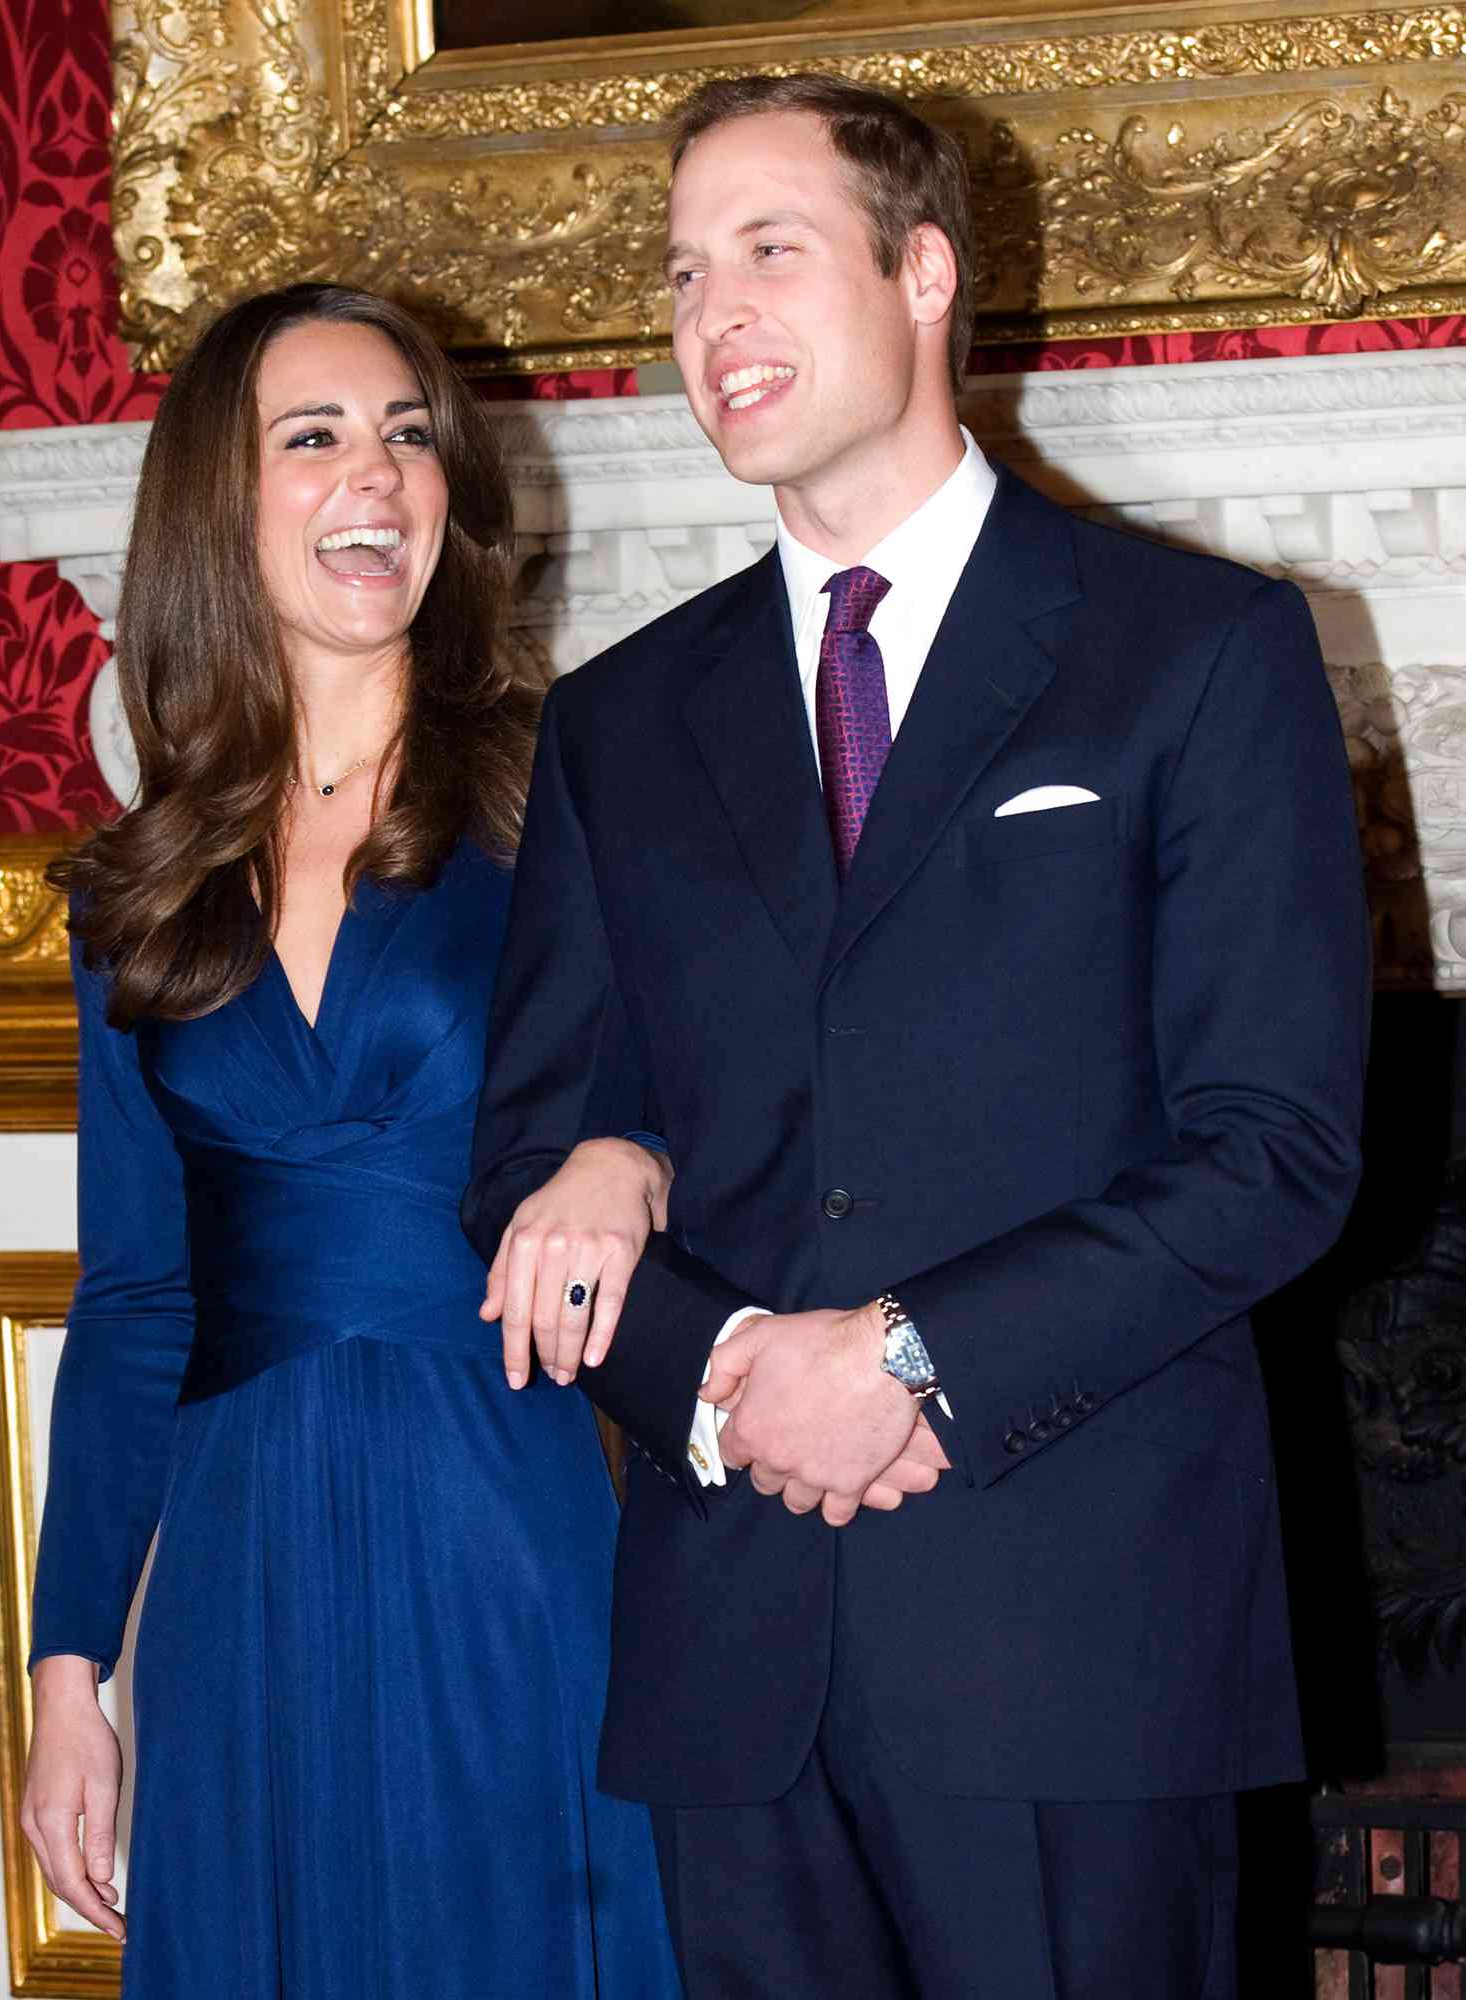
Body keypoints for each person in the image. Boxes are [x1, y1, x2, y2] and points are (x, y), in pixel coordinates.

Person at [463, 74, 1370, 1999]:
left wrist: (912, 1362)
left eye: (769, 253)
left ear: (927, 270)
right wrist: (726, 1378)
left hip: (1081, 1651)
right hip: (741, 1677)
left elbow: (1274, 1150)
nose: (713, 319)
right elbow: (534, 1171)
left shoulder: (1201, 653)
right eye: (686, 273)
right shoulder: (618, 725)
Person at [22, 282, 682, 2000]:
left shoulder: (572, 792)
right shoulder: (135, 890)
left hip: (511, 1504)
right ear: (215, 509)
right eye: (310, 438)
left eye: (406, 436)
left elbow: (728, 1102)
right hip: (241, 1567)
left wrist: (633, 1160)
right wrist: (65, 1673)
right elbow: (136, 1298)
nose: (372, 476)